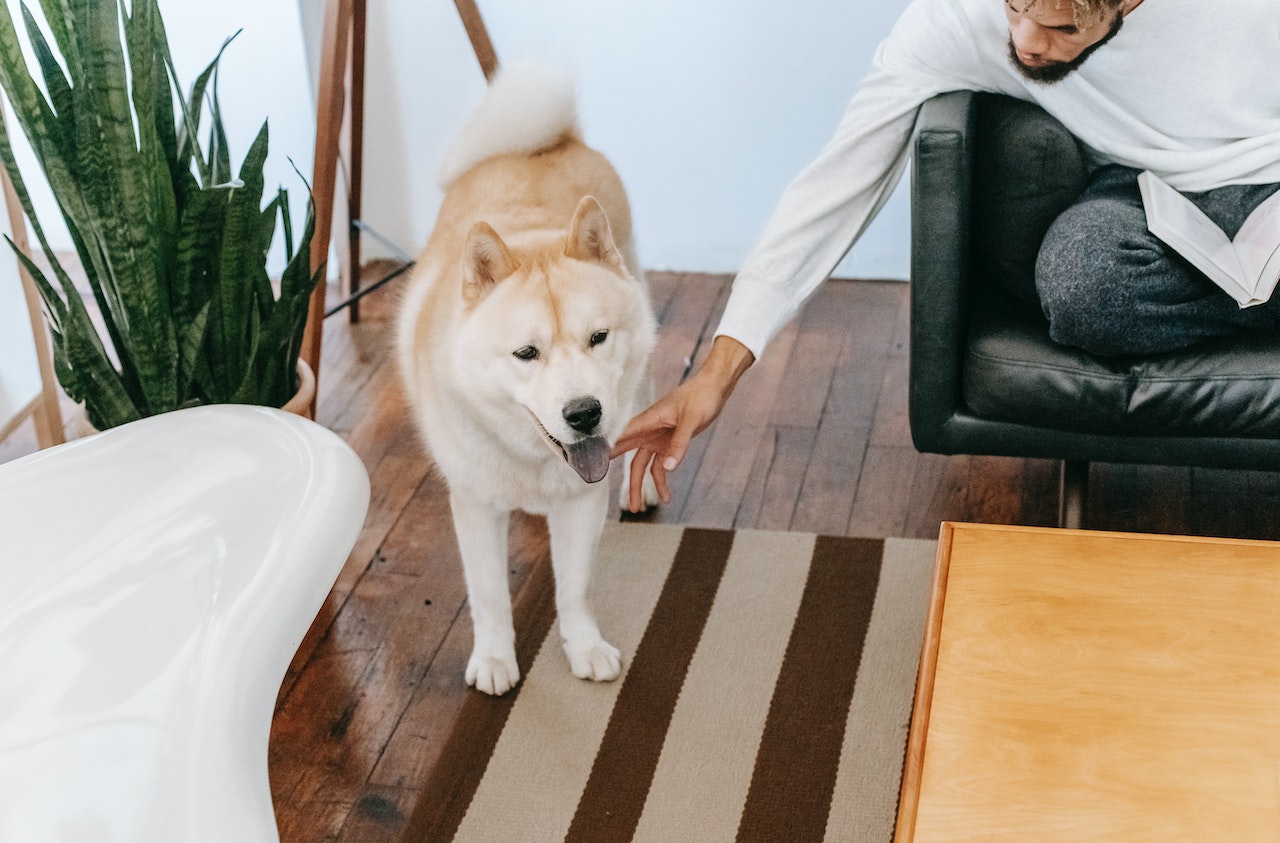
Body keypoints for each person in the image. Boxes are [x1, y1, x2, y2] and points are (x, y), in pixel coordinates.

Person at [614, 0, 1280, 511]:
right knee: (1083, 284)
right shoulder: (959, 19)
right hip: (1141, 196)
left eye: (1059, 29)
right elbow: (838, 179)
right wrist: (716, 373)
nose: (1024, 41)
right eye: (1015, 8)